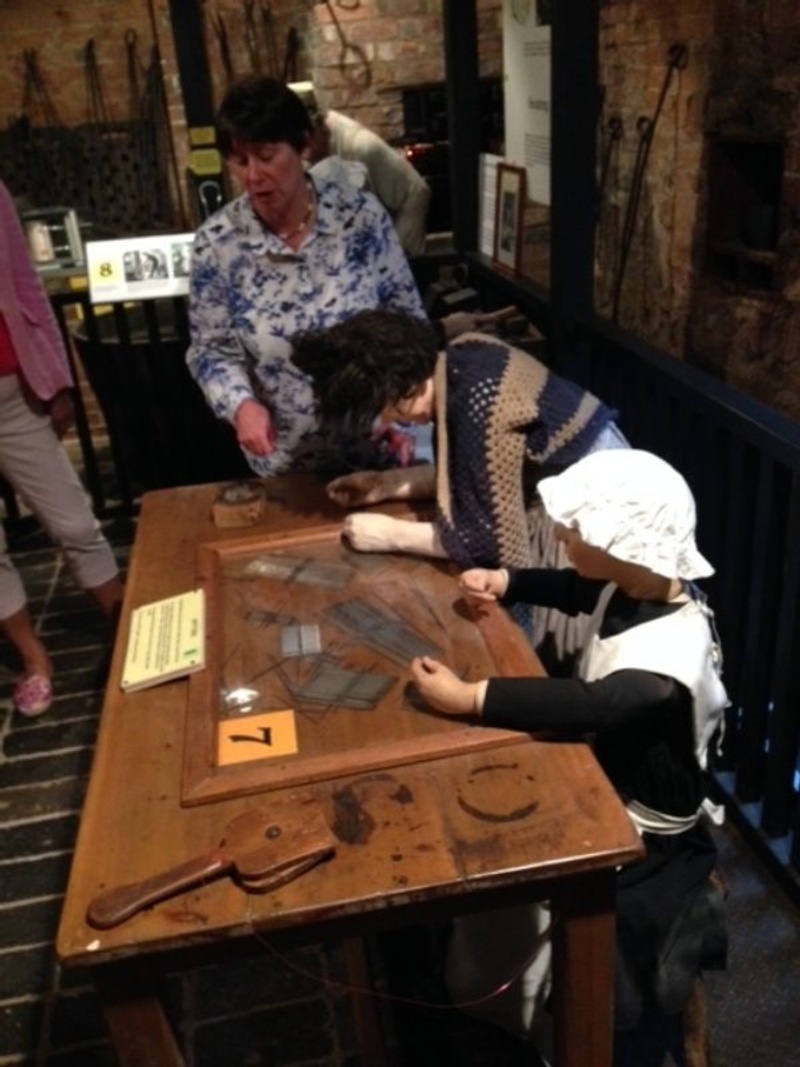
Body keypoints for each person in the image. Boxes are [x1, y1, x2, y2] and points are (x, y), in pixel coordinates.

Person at [409, 449, 729, 1065]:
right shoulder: (638, 588)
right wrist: (507, 581)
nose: (561, 537)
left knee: (612, 968)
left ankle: (582, 1030)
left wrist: (471, 697)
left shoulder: (660, 671)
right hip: (615, 778)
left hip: (650, 838)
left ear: (625, 547)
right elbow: (576, 590)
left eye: (577, 531)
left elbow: (590, 703)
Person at [291, 308, 627, 663]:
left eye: (385, 408)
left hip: (600, 502)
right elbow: (472, 469)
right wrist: (385, 485)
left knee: (571, 640)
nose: (386, 420)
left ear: (403, 386)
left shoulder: (481, 397)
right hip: (570, 478)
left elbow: (486, 541)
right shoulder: (460, 360)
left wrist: (390, 534)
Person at [186, 75, 429, 478]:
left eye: (266, 156)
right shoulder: (217, 244)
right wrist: (241, 404)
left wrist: (402, 411)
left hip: (380, 450)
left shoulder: (360, 218)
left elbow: (408, 324)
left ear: (301, 145)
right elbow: (211, 351)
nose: (253, 175)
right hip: (286, 466)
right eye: (240, 161)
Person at [0, 180, 123, 718]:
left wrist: (58, 380)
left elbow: (26, 285)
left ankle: (125, 625)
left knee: (74, 521)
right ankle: (34, 658)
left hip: (12, 388)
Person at [291, 81, 432, 256]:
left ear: (319, 128)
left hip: (408, 201)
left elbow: (359, 213)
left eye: (307, 143)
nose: (304, 154)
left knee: (396, 261)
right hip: (375, 208)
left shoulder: (359, 146)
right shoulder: (309, 147)